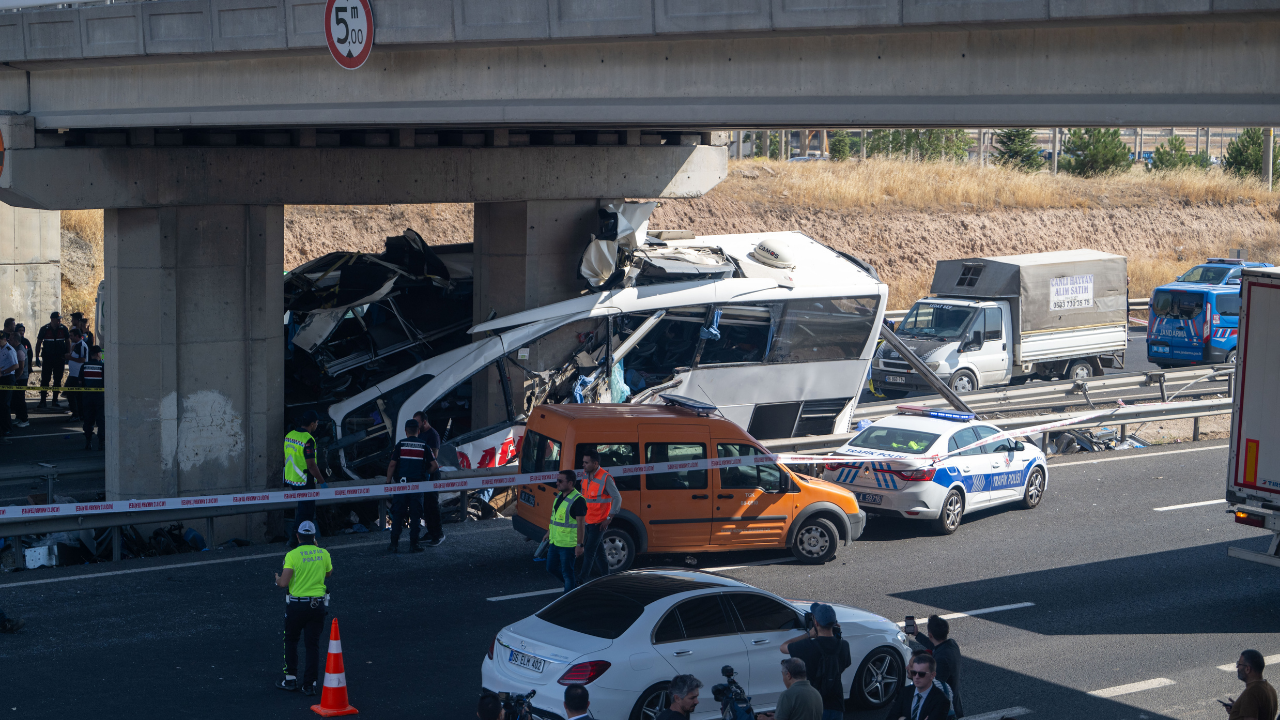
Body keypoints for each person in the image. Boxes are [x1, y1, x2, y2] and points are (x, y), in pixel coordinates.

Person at [274, 520, 332, 697]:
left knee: (291, 640)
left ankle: (290, 678)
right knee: (312, 644)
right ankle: (310, 684)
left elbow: (284, 583)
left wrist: (276, 578)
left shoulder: (292, 555)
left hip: (297, 606)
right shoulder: (323, 553)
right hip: (317, 605)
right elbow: (328, 573)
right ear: (314, 537)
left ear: (298, 536)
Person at [781, 603, 852, 720]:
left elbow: (783, 647)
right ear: (835, 623)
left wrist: (809, 634)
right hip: (836, 705)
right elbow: (843, 665)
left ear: (816, 623)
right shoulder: (844, 645)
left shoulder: (807, 646)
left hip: (812, 705)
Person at [386, 419, 436, 553]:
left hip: (401, 485)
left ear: (405, 431)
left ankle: (394, 545)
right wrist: (426, 474)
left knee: (398, 515)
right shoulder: (424, 446)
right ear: (418, 431)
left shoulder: (400, 445)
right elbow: (434, 466)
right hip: (417, 486)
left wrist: (388, 481)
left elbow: (392, 464)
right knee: (416, 515)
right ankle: (414, 544)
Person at [579, 448, 621, 581]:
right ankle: (607, 578)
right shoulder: (586, 474)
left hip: (599, 523)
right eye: (583, 462)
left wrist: (609, 518)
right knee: (599, 553)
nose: (583, 465)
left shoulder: (605, 478)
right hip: (588, 521)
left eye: (586, 463)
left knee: (589, 551)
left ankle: (581, 580)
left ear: (595, 463)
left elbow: (617, 498)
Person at [542, 469, 587, 592]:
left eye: (560, 481)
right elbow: (554, 519)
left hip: (568, 545)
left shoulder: (578, 500)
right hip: (555, 542)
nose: (557, 483)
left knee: (567, 572)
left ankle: (569, 597)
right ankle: (572, 586)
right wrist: (549, 532)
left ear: (570, 483)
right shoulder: (559, 497)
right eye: (557, 480)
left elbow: (581, 525)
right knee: (551, 568)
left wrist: (580, 545)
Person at [284, 410, 323, 544]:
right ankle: (298, 540)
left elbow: (286, 458)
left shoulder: (290, 435)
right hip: (304, 480)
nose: (317, 425)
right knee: (306, 512)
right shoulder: (308, 440)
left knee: (302, 509)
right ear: (312, 424)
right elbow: (311, 465)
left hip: (292, 479)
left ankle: (295, 538)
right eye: (316, 423)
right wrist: (322, 481)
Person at [914, 615, 963, 717]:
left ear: (930, 635)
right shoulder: (951, 644)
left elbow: (935, 686)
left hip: (947, 710)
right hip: (955, 703)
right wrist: (917, 634)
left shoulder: (942, 660)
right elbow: (935, 645)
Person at [412, 410, 445, 546]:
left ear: (424, 422)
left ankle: (439, 533)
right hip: (423, 473)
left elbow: (434, 457)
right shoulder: (419, 433)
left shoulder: (433, 435)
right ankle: (430, 531)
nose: (415, 424)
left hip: (431, 473)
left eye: (417, 422)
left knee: (432, 504)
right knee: (426, 505)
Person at [758, 658, 822, 720]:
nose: (783, 679)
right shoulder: (816, 693)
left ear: (788, 675)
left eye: (783, 675)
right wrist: (779, 715)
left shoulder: (787, 695)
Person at [888, 655, 949, 720]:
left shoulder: (941, 701)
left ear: (932, 675)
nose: (916, 677)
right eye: (914, 673)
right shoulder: (904, 692)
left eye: (921, 674)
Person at [1226, 649, 1278, 720]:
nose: (1237, 667)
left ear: (1247, 669)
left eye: (1239, 664)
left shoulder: (1251, 693)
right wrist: (1237, 709)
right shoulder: (1269, 688)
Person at [34, 311, 68, 408]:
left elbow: (68, 341)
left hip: (59, 358)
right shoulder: (44, 329)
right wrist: (37, 357)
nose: (59, 321)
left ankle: (55, 400)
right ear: (52, 319)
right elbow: (38, 343)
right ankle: (43, 401)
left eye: (60, 319)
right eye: (58, 319)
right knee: (45, 379)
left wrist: (67, 354)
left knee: (57, 379)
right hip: (48, 358)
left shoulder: (63, 329)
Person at [78, 345, 105, 451]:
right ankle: (101, 443)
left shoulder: (84, 366)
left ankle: (88, 441)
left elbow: (80, 382)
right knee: (101, 420)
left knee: (88, 420)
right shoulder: (102, 366)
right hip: (100, 398)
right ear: (98, 354)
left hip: (87, 397)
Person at [10, 324, 30, 428]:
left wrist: (16, 378)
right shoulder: (15, 349)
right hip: (18, 377)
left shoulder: (20, 350)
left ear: (15, 340)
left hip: (21, 378)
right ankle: (18, 417)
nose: (9, 341)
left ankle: (24, 419)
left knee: (21, 399)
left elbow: (21, 368)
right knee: (16, 399)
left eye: (11, 339)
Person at [64, 327, 87, 420]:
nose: (70, 338)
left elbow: (82, 359)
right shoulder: (75, 345)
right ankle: (78, 413)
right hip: (73, 374)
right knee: (74, 394)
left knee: (72, 394)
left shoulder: (82, 345)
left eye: (72, 336)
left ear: (77, 336)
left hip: (77, 375)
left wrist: (70, 358)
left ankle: (77, 413)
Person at [0, 331, 17, 444]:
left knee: (5, 404)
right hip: (1, 377)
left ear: (4, 339)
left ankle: (7, 428)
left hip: (7, 378)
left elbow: (16, 365)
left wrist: (4, 371)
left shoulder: (9, 350)